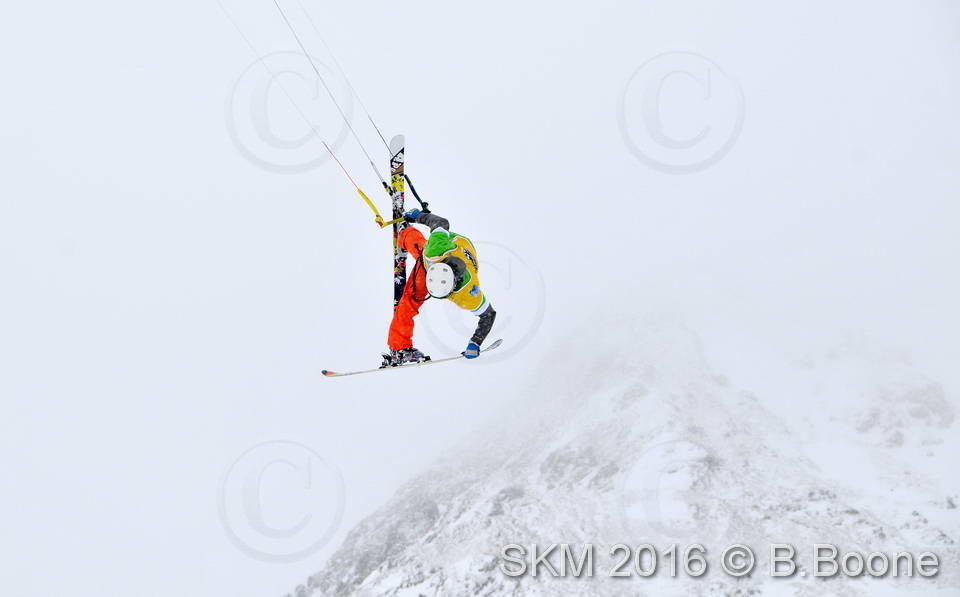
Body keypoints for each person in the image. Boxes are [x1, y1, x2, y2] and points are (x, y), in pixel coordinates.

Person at [381, 209, 497, 367]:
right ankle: (399, 348)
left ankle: (406, 234)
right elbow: (441, 223)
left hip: (460, 249)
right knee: (410, 299)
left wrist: (475, 342)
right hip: (436, 258)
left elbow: (488, 315)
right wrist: (418, 216)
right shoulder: (435, 249)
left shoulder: (467, 293)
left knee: (421, 250)